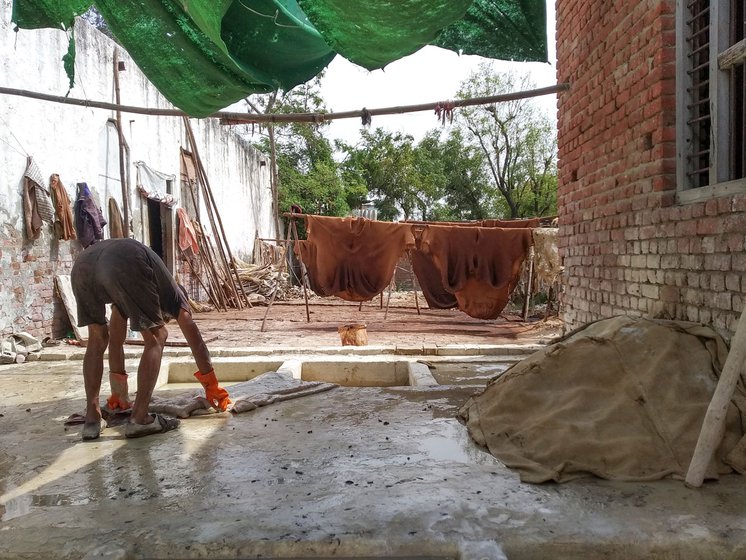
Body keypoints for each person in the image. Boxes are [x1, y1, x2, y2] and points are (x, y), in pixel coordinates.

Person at [71, 238, 231, 440]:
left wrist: (119, 394)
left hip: (83, 264)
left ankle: (92, 419)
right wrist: (212, 386)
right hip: (123, 260)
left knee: (97, 338)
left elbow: (115, 341)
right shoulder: (175, 296)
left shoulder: (126, 295)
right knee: (157, 337)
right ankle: (139, 418)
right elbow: (195, 339)